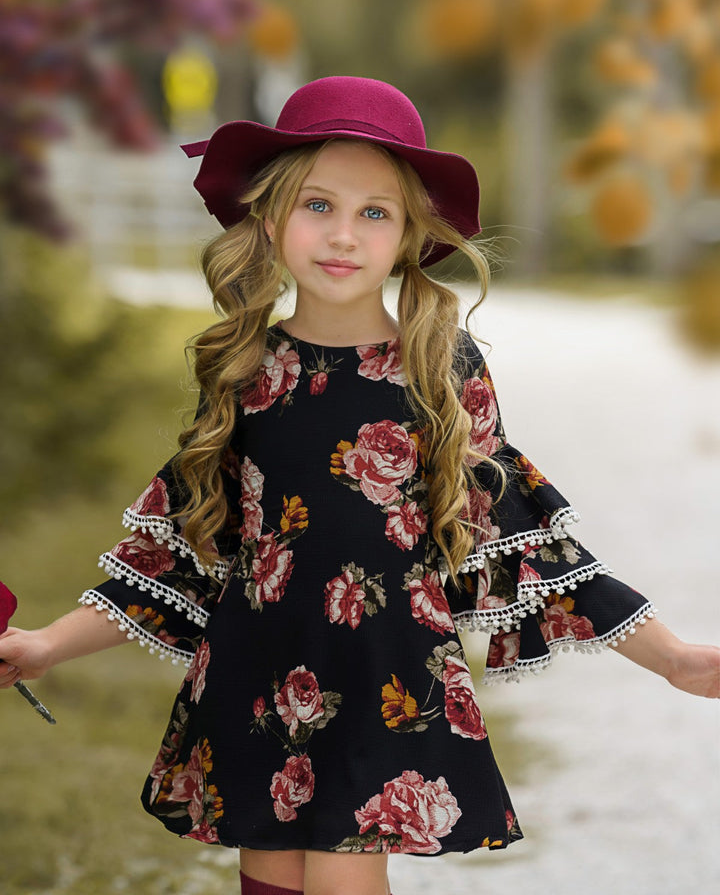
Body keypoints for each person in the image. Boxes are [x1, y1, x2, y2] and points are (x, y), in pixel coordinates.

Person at [0, 76, 718, 895]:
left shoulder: (439, 370)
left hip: (385, 679)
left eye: (375, 212)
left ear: (410, 236)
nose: (343, 235)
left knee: (343, 878)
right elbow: (179, 557)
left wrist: (670, 658)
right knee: (270, 878)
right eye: (318, 205)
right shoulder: (243, 370)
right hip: (258, 676)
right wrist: (46, 645)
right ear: (271, 218)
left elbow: (522, 543)